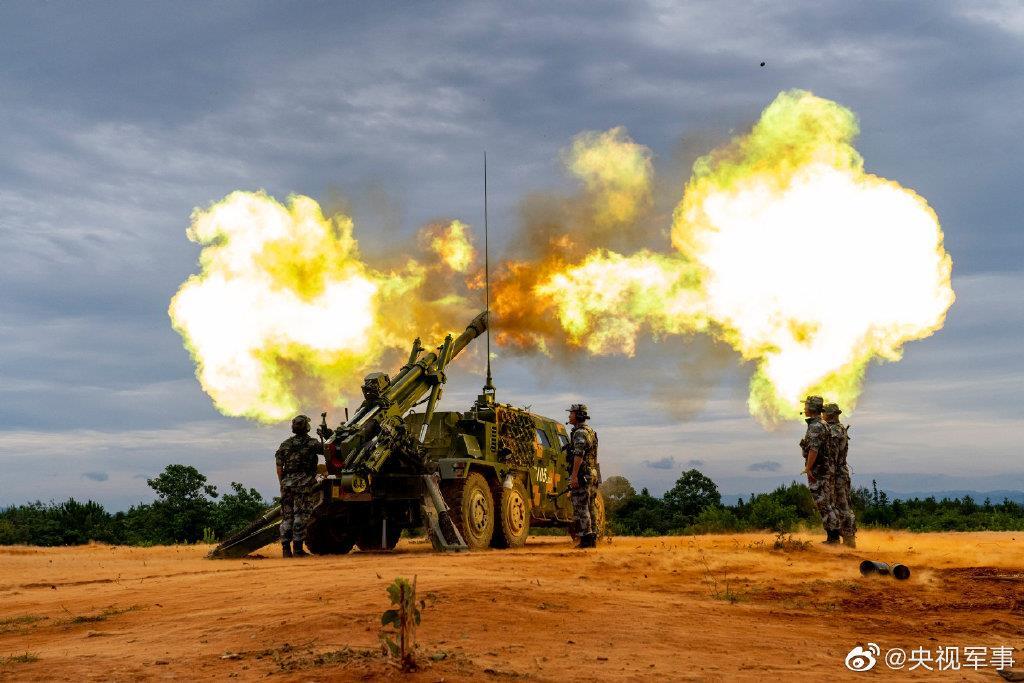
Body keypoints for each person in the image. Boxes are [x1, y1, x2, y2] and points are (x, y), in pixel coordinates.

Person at [275, 414, 325, 558]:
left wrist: (282, 484)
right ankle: (297, 549)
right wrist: (325, 434)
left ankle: (286, 550)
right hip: (303, 483)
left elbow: (279, 468)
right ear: (306, 428)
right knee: (300, 516)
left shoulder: (285, 444)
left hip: (286, 484)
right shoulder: (312, 443)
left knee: (287, 517)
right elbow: (327, 450)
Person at [800, 396, 839, 544]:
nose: (804, 408)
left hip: (819, 470)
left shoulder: (816, 426)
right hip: (825, 469)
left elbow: (813, 449)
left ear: (812, 408)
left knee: (823, 502)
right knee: (827, 502)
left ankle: (833, 537)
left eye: (806, 406)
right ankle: (833, 536)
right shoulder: (822, 424)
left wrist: (808, 468)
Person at [823, 403, 857, 547]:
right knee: (837, 506)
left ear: (830, 414)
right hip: (839, 472)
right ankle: (836, 538)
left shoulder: (834, 431)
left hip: (836, 473)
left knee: (842, 506)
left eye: (824, 412)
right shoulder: (839, 428)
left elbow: (833, 457)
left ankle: (849, 541)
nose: (822, 415)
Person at [567, 403, 599, 549]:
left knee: (580, 506)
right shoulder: (590, 431)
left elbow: (579, 455)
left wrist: (574, 476)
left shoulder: (580, 433)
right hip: (592, 473)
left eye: (571, 413)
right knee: (591, 506)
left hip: (582, 474)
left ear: (578, 415)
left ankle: (586, 538)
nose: (569, 416)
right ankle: (593, 537)